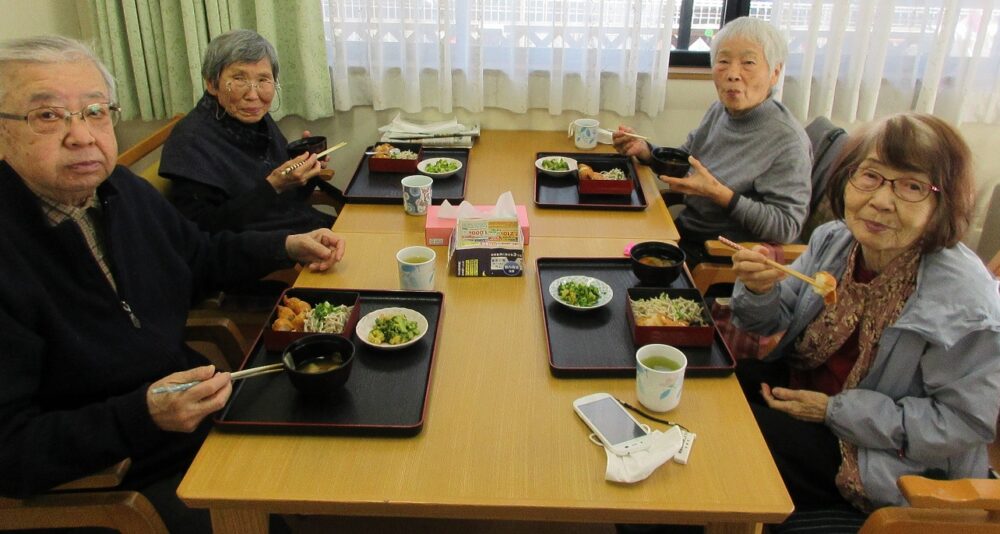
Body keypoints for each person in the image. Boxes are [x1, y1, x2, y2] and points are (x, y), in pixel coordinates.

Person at [0, 35, 346, 532]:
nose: (82, 136)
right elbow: (11, 446)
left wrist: (285, 246)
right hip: (119, 474)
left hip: (188, 408)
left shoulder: (118, 191)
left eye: (96, 111)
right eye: (48, 116)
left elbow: (198, 257)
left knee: (328, 426)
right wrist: (141, 415)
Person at [729, 112, 1000, 516]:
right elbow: (772, 319)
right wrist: (759, 288)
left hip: (884, 457)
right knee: (707, 391)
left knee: (724, 448)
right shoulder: (835, 241)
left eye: (910, 186)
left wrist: (832, 411)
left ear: (942, 203)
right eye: (870, 176)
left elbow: (962, 422)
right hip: (804, 392)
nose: (880, 200)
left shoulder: (965, 301)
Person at [613, 17, 811, 265]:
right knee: (606, 233)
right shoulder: (720, 110)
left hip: (717, 255)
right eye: (724, 61)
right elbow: (685, 161)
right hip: (683, 232)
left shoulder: (787, 140)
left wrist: (720, 194)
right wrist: (645, 152)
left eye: (748, 63)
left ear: (775, 73)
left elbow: (786, 227)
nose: (733, 74)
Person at [159, 29, 335, 234]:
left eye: (263, 80)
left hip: (296, 225)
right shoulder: (190, 143)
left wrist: (306, 171)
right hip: (263, 250)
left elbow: (289, 200)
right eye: (239, 79)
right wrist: (272, 187)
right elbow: (205, 232)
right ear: (211, 83)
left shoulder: (253, 117)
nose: (253, 95)